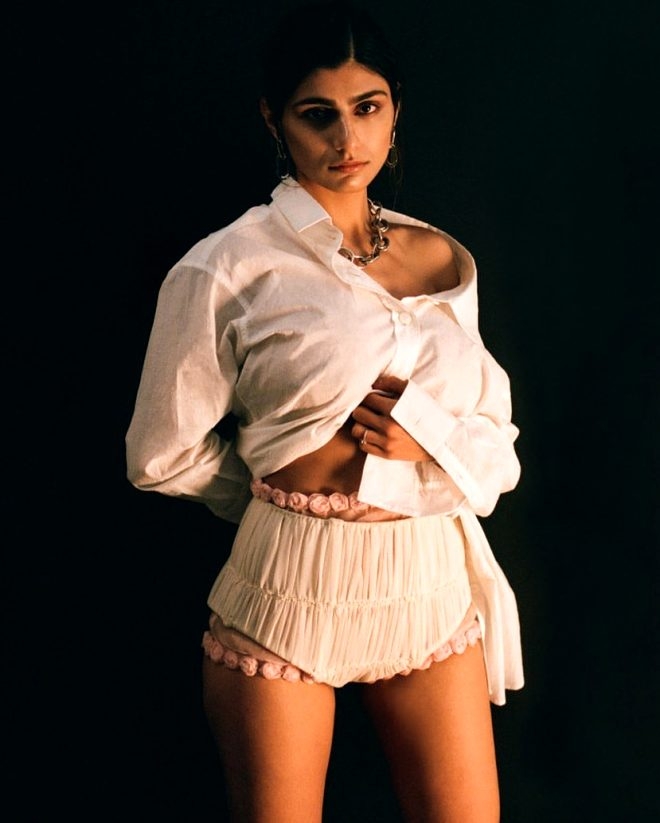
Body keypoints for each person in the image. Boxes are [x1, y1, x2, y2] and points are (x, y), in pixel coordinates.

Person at [125, 2, 524, 820]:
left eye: (367, 107)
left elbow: (495, 437)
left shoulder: (442, 256)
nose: (347, 139)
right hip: (285, 594)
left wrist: (428, 440)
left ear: (395, 109)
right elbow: (158, 452)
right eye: (318, 114)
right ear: (274, 119)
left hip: (428, 588)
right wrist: (278, 500)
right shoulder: (226, 266)